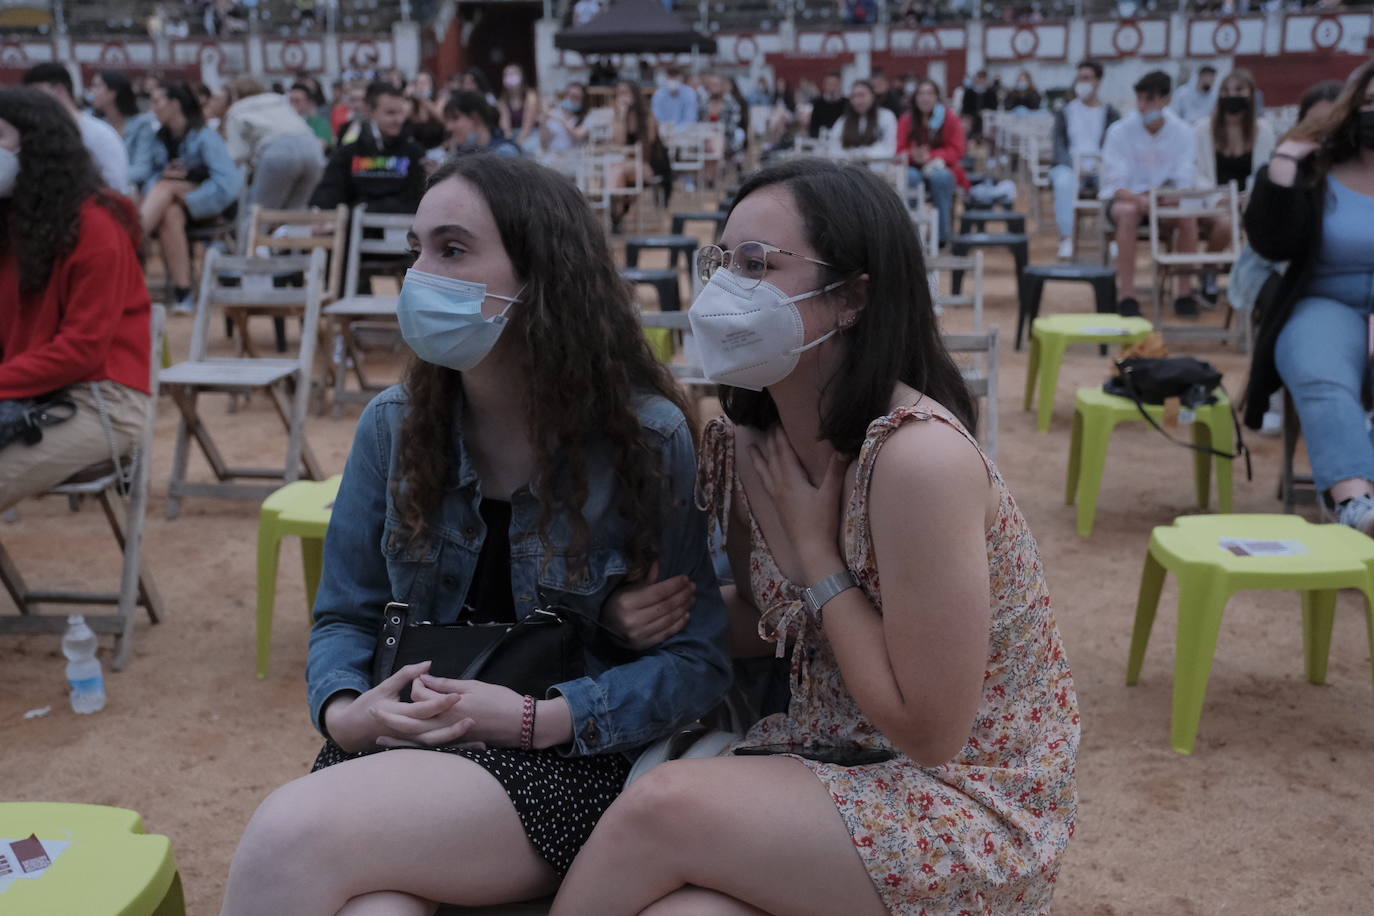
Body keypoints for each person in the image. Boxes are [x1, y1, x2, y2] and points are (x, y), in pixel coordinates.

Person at [551, 156, 1079, 916]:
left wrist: (819, 561)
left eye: (758, 264)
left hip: (964, 798)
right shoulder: (742, 443)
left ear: (853, 297)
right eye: (720, 261)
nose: (726, 288)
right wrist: (629, 615)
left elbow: (932, 730)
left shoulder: (915, 459)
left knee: (661, 809)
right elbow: (775, 628)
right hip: (827, 758)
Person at [219, 152, 731, 914]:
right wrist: (346, 712)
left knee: (285, 836)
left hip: (564, 763)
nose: (420, 275)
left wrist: (540, 717)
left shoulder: (646, 439)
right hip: (400, 748)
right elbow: (345, 617)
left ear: (541, 277)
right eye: (416, 250)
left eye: (452, 250)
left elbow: (699, 662)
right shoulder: (392, 427)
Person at [0, 89, 151, 511]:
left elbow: (81, 351)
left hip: (102, 402)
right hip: (29, 391)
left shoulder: (97, 226)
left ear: (37, 147)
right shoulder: (12, 225)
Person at [1243, 58, 1374, 534]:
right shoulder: (1319, 171)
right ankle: (1356, 504)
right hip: (1324, 302)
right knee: (1320, 369)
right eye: (1369, 103)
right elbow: (1270, 242)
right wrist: (1284, 161)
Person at [1099, 70, 1222, 318]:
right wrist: (1140, 199)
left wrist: (1164, 198)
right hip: (1129, 201)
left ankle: (1184, 293)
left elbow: (1185, 178)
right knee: (1128, 213)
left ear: (1166, 100)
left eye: (1150, 100)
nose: (1143, 106)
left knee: (1187, 216)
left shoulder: (1183, 132)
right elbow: (1115, 184)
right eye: (1140, 99)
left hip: (1167, 200)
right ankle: (1127, 295)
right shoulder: (1120, 131)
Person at [135, 81, 243, 314]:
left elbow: (227, 184)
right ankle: (183, 293)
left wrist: (186, 190)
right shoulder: (158, 138)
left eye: (157, 101)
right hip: (174, 209)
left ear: (175, 104)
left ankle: (132, 238)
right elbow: (148, 177)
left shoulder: (205, 136)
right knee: (170, 215)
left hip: (211, 208)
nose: (153, 108)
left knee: (166, 188)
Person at [310, 80, 427, 215]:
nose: (398, 120)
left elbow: (416, 198)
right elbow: (329, 192)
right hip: (356, 230)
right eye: (390, 113)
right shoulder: (348, 153)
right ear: (370, 111)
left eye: (400, 113)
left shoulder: (414, 152)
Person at [20, 63, 130, 194]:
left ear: (59, 90)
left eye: (36, 94)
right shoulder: (36, 134)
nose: (31, 103)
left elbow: (116, 188)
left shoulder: (99, 134)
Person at [1050, 59, 1121, 260]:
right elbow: (1058, 144)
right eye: (1080, 78)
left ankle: (1114, 237)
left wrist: (1104, 166)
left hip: (1102, 167)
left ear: (1098, 81)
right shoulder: (1065, 111)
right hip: (1071, 166)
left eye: (1087, 78)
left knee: (1117, 183)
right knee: (1063, 182)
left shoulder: (1110, 113)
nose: (1083, 82)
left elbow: (1116, 147)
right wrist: (1071, 165)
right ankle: (1066, 238)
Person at [223, 77, 324, 211]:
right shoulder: (279, 100)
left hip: (278, 152)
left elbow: (238, 154)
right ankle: (297, 231)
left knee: (259, 211)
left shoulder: (236, 110)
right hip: (312, 148)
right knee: (296, 211)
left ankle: (250, 231)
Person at [898, 78, 969, 246]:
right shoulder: (906, 120)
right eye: (921, 93)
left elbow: (957, 150)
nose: (925, 98)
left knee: (941, 178)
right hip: (913, 167)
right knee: (909, 177)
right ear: (915, 98)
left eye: (930, 93)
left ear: (937, 97)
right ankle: (912, 235)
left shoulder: (950, 118)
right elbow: (900, 150)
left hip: (942, 167)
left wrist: (932, 155)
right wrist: (912, 155)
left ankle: (941, 237)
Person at [1194, 68, 1275, 195]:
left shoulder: (1263, 131)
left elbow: (1264, 173)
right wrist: (1217, 198)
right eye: (1226, 91)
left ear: (1251, 93)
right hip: (1212, 204)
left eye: (1239, 90)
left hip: (1250, 204)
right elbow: (1196, 173)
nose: (1232, 95)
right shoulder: (1202, 129)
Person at [610, 80, 671, 232]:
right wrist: (622, 117)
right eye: (619, 94)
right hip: (629, 165)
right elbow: (619, 144)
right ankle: (617, 214)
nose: (622, 97)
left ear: (634, 94)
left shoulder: (648, 117)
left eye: (625, 93)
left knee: (617, 172)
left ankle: (616, 215)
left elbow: (647, 147)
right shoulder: (619, 117)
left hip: (651, 164)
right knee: (618, 173)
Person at [88, 71, 159, 194]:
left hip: (132, 188)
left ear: (112, 92)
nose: (92, 91)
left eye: (97, 86)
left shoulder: (141, 125)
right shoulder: (94, 124)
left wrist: (107, 179)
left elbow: (142, 168)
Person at [444, 91, 522, 158]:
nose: (449, 127)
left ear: (476, 117)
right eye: (448, 120)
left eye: (455, 118)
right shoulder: (462, 154)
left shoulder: (505, 151)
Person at [834, 80, 898, 160]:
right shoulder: (843, 120)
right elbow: (833, 146)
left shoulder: (886, 116)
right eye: (853, 96)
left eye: (861, 95)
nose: (857, 100)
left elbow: (890, 148)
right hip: (849, 167)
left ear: (873, 96)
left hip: (878, 167)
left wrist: (867, 155)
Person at [699, 74, 742, 189]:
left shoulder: (730, 103)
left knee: (717, 140)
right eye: (712, 85)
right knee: (711, 144)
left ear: (721, 86)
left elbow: (734, 124)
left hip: (726, 140)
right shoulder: (704, 104)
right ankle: (713, 179)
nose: (714, 87)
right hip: (705, 141)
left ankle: (711, 180)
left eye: (716, 85)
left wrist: (718, 130)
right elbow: (699, 124)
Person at [497, 64, 541, 152]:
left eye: (513, 74)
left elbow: (528, 125)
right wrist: (509, 139)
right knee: (503, 150)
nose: (509, 77)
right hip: (514, 134)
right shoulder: (503, 100)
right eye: (506, 75)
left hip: (531, 134)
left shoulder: (530, 96)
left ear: (521, 77)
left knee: (526, 149)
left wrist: (517, 144)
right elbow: (505, 125)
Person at [540, 82, 590, 153]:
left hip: (574, 158)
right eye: (567, 95)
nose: (570, 99)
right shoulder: (553, 113)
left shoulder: (586, 117)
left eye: (575, 97)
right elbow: (544, 144)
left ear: (582, 100)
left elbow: (578, 136)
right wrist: (543, 121)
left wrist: (562, 120)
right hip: (552, 157)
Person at [289, 81, 334, 149]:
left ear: (309, 102)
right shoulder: (286, 122)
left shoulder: (319, 122)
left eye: (297, 101)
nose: (293, 105)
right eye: (291, 101)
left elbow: (320, 145)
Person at [959, 69, 999, 142]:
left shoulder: (991, 93)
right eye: (979, 78)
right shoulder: (969, 92)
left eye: (983, 79)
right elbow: (965, 107)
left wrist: (986, 112)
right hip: (971, 118)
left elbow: (994, 107)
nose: (981, 81)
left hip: (986, 119)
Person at [806, 71, 847, 140]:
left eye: (835, 84)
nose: (832, 88)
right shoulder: (817, 103)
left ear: (840, 85)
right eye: (829, 84)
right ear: (824, 86)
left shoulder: (847, 103)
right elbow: (813, 128)